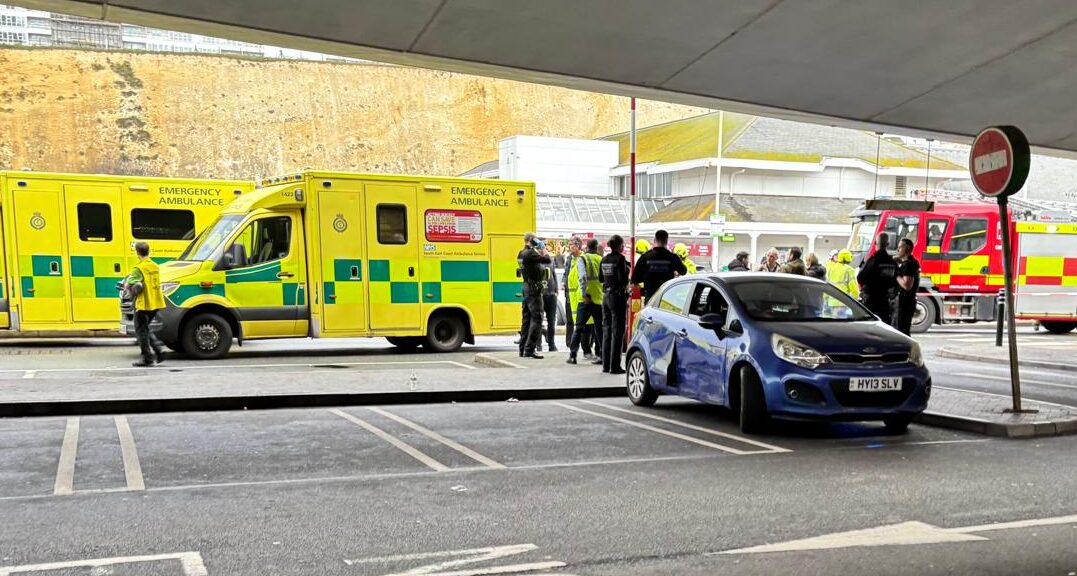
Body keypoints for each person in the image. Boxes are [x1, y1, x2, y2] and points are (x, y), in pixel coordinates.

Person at [123, 241, 166, 367]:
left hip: (144, 304)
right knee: (145, 328)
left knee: (140, 330)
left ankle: (147, 358)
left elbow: (129, 283)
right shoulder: (155, 266)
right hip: (156, 302)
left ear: (137, 253)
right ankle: (159, 351)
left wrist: (127, 286)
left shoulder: (138, 268)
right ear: (149, 251)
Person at [567, 238, 605, 365]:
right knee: (599, 329)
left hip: (586, 300)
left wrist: (584, 294)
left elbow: (582, 277)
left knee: (578, 328)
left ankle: (573, 356)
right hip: (599, 299)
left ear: (587, 247)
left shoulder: (582, 259)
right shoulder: (601, 259)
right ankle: (601, 356)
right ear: (596, 247)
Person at [517, 232, 550, 359]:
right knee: (537, 318)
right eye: (535, 238)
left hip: (525, 287)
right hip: (533, 288)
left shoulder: (520, 253)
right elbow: (547, 260)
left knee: (526, 319)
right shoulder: (531, 253)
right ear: (532, 239)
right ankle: (530, 349)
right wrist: (542, 248)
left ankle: (523, 349)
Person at [600, 235, 629, 375]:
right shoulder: (620, 259)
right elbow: (622, 279)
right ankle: (615, 366)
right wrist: (627, 271)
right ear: (619, 245)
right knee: (617, 332)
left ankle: (606, 365)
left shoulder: (604, 259)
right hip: (616, 298)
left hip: (605, 296)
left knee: (606, 331)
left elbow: (601, 278)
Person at [631, 230, 687, 302]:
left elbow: (635, 279)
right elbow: (683, 271)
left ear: (654, 240)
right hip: (667, 299)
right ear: (666, 241)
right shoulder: (673, 257)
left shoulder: (645, 257)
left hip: (650, 298)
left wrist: (647, 276)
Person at [857, 232, 898, 325]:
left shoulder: (872, 260)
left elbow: (860, 278)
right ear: (887, 244)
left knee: (870, 325)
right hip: (885, 301)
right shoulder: (892, 263)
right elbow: (896, 282)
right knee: (884, 325)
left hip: (871, 300)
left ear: (876, 244)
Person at [894, 238, 921, 335]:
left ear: (907, 248)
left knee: (902, 331)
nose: (898, 250)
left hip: (905, 302)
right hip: (907, 301)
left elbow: (907, 285)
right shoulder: (910, 262)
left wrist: (896, 275)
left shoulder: (908, 264)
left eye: (900, 247)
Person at [541, 258, 559, 352]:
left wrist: (556, 289)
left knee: (551, 321)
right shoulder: (535, 259)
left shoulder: (550, 259)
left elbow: (554, 275)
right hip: (540, 294)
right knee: (538, 320)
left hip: (551, 294)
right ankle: (538, 345)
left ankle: (551, 344)